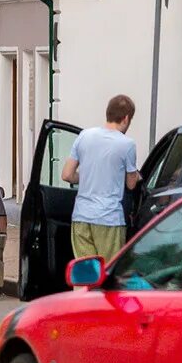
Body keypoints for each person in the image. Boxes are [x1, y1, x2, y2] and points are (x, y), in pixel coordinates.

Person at [62, 94, 142, 267]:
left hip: (81, 217)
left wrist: (88, 176)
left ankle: (81, 295)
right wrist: (135, 175)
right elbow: (131, 184)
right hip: (109, 218)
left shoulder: (84, 136)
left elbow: (67, 175)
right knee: (108, 272)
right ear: (126, 118)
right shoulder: (127, 145)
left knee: (84, 274)